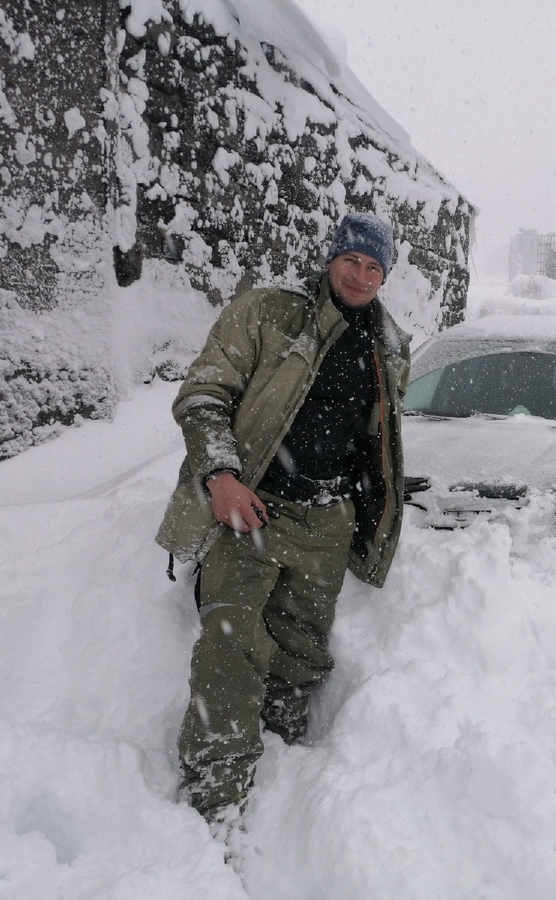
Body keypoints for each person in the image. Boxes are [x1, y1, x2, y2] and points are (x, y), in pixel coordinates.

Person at [154, 210, 410, 830]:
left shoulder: (388, 343)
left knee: (300, 651)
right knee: (229, 645)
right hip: (253, 507)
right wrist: (221, 476)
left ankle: (284, 769)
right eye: (352, 260)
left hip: (329, 521)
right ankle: (217, 792)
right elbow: (203, 393)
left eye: (374, 267)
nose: (360, 275)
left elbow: (378, 434)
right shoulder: (270, 311)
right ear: (330, 257)